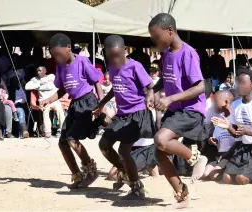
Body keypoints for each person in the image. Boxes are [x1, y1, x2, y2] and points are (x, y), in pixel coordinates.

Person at [148, 13, 207, 207]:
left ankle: (196, 157)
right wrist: (154, 91)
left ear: (170, 31)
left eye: (157, 37)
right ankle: (182, 193)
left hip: (191, 109)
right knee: (159, 153)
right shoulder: (166, 55)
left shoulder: (188, 53)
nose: (155, 41)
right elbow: (167, 78)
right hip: (176, 109)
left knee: (160, 139)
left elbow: (200, 87)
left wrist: (170, 98)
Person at [94, 35, 155, 200]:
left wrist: (149, 97)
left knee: (123, 150)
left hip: (137, 115)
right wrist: (102, 103)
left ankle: (136, 188)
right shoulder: (112, 68)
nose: (115, 60)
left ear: (124, 51)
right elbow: (116, 87)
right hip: (121, 115)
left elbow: (150, 86)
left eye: (117, 56)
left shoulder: (135, 67)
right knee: (104, 144)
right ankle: (124, 171)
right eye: (111, 57)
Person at [47, 33, 103, 189]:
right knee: (63, 142)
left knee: (72, 139)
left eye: (58, 54)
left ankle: (91, 171)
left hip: (87, 102)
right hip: (74, 105)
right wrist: (48, 100)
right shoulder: (60, 67)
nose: (56, 58)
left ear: (69, 48)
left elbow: (96, 82)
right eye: (53, 55)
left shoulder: (83, 61)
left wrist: (101, 104)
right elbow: (62, 89)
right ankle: (77, 176)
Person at [212, 69, 252, 185]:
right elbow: (237, 134)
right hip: (243, 148)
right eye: (237, 83)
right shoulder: (235, 105)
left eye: (243, 83)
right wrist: (228, 126)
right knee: (227, 178)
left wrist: (247, 132)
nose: (238, 86)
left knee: (241, 179)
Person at [202, 90, 235, 181]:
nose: (213, 105)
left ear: (226, 102)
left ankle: (228, 171)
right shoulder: (219, 119)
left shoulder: (234, 118)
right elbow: (217, 138)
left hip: (230, 154)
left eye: (215, 102)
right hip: (219, 154)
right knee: (205, 174)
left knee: (213, 175)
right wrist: (213, 141)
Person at [25, 66, 65, 138]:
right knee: (45, 111)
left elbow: (59, 85)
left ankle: (63, 129)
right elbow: (27, 87)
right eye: (37, 71)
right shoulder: (35, 79)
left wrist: (44, 85)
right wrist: (38, 84)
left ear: (45, 71)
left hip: (53, 100)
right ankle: (47, 132)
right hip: (43, 101)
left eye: (40, 70)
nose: (38, 72)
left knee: (59, 109)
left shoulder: (51, 77)